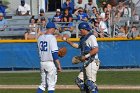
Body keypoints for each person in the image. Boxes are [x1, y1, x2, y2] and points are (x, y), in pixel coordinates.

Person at [63, 22, 100, 93]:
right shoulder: (83, 38)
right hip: (86, 62)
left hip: (92, 62)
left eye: (81, 29)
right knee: (79, 81)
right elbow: (77, 46)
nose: (80, 31)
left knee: (90, 83)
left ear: (84, 29)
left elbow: (96, 49)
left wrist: (85, 56)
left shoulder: (91, 37)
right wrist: (68, 41)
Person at [37, 22, 62, 93]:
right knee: (51, 85)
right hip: (50, 63)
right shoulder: (52, 38)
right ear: (51, 29)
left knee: (43, 85)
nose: (54, 30)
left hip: (42, 62)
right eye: (54, 29)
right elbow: (54, 54)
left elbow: (38, 50)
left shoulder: (40, 38)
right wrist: (58, 65)